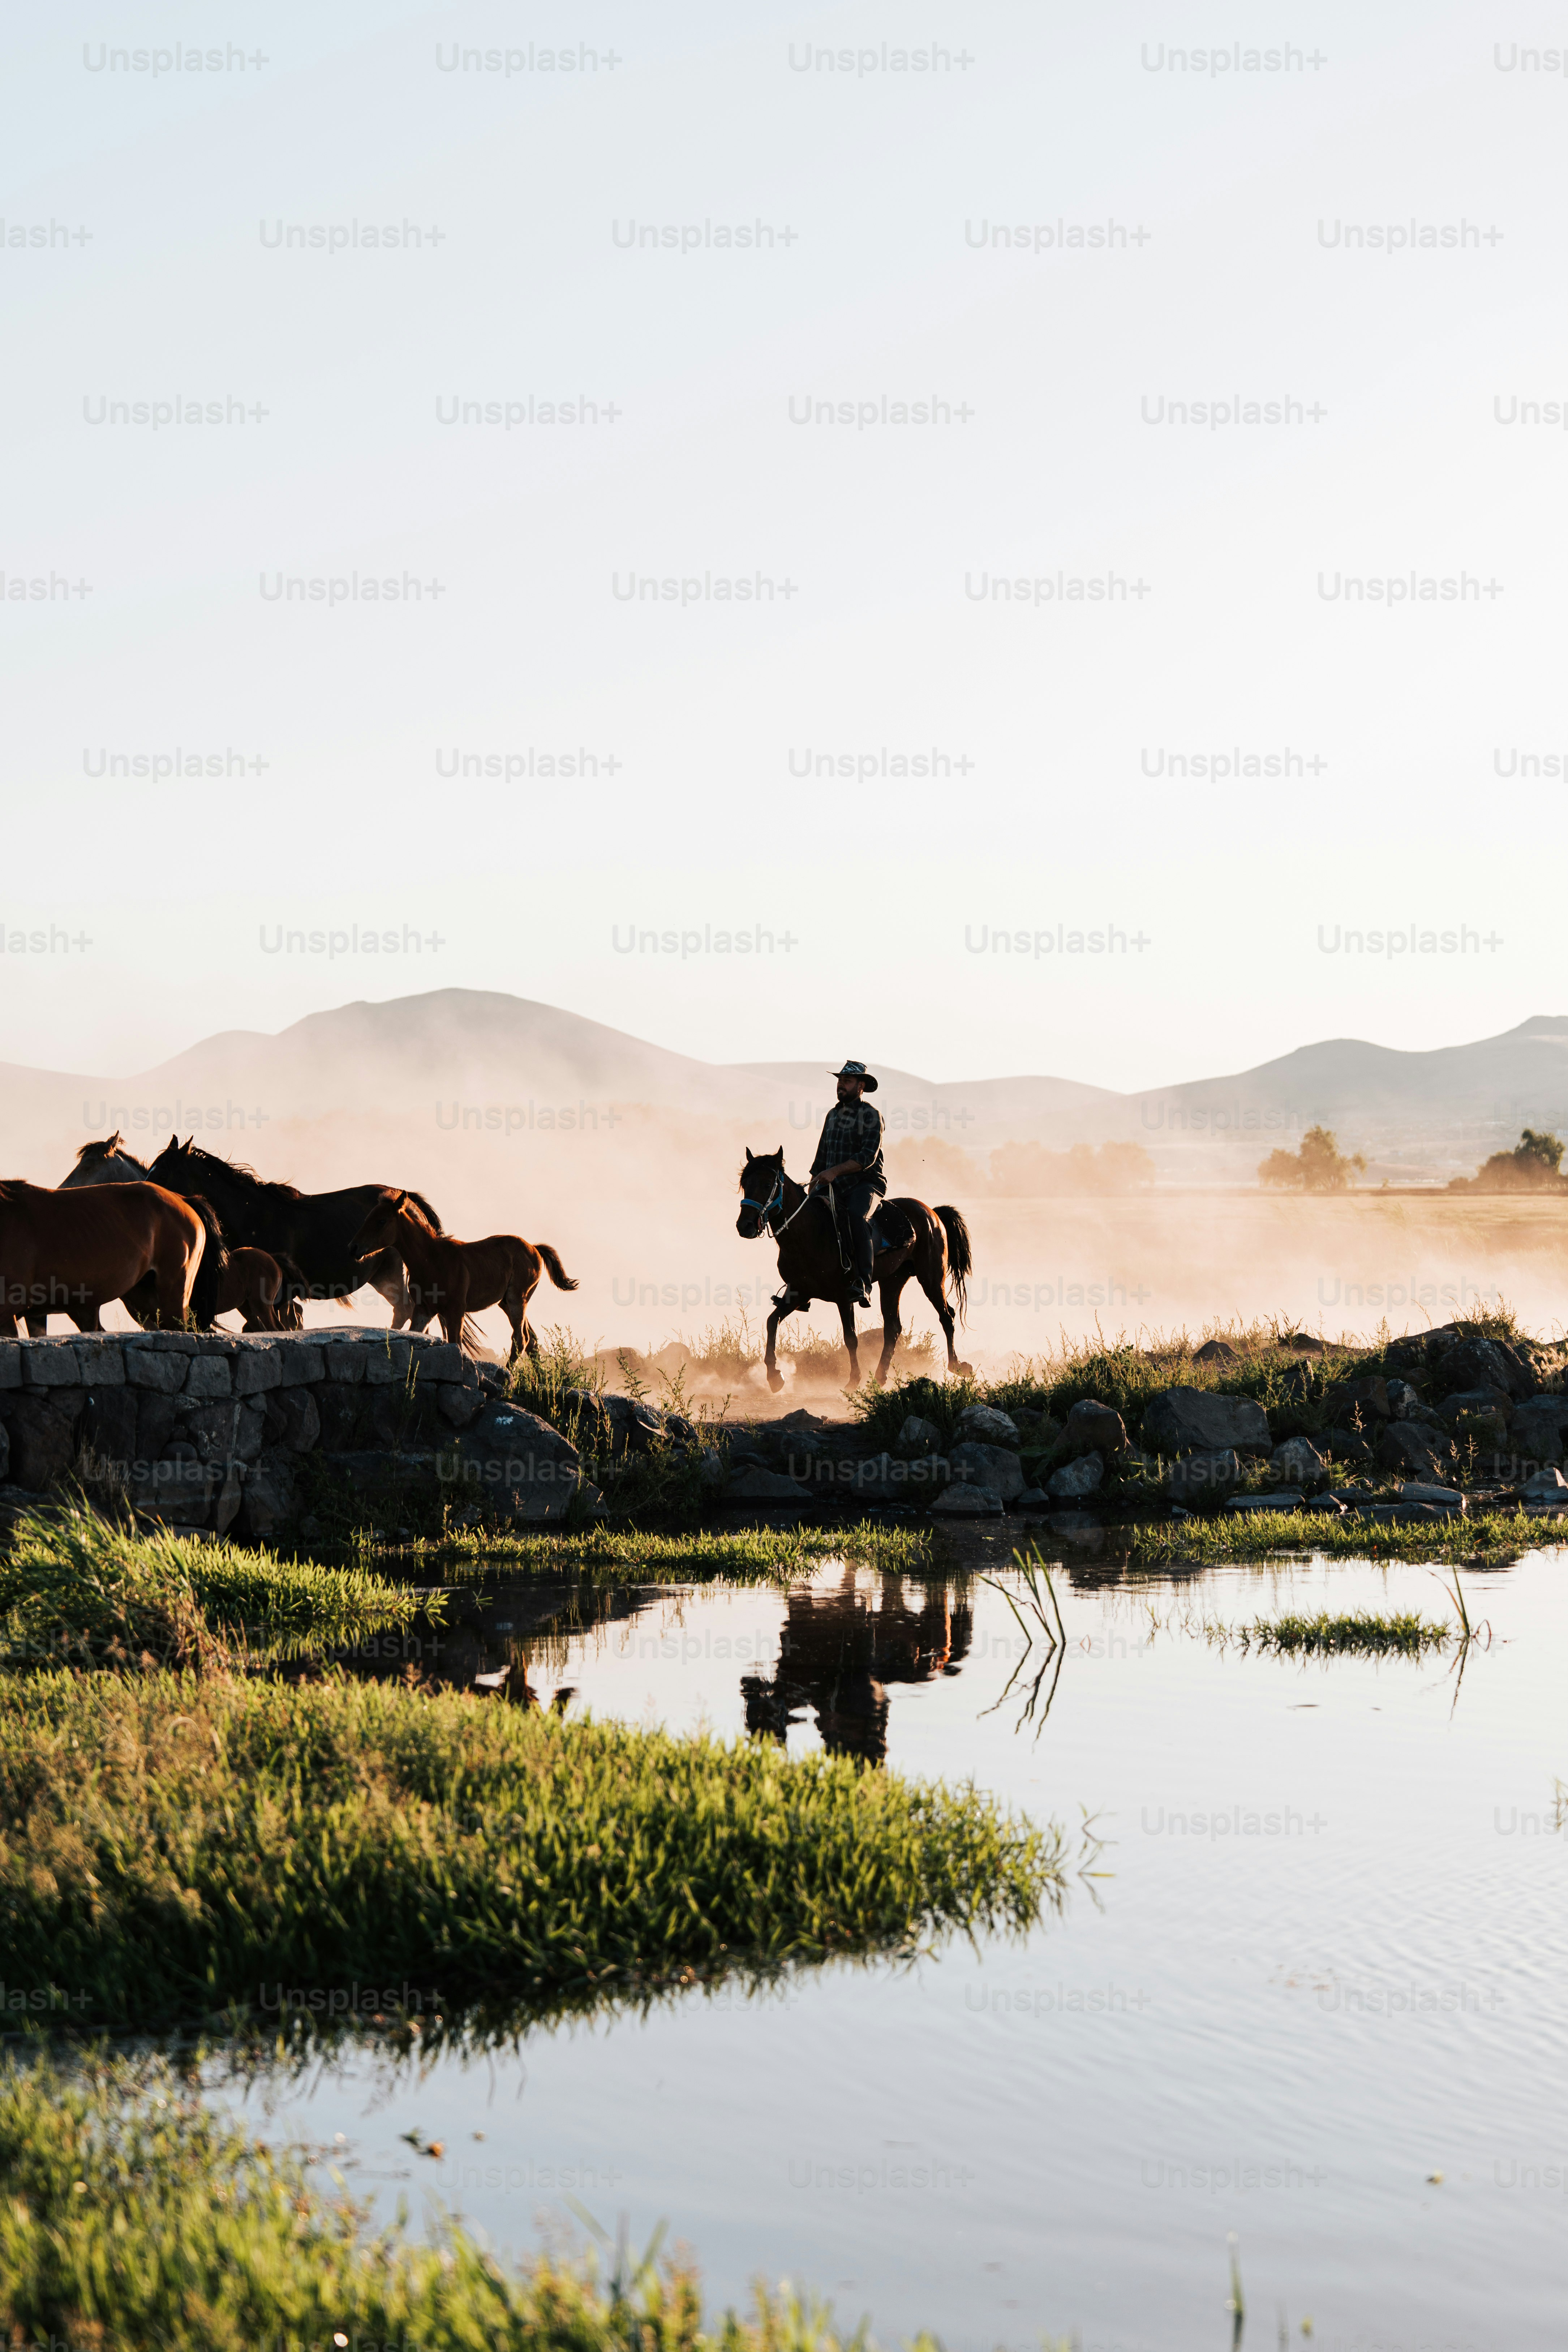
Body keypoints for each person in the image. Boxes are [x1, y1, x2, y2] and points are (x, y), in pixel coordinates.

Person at [809, 1061, 885, 1308]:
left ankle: (863, 1282)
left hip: (866, 1183)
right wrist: (814, 1183)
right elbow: (821, 1156)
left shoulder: (871, 1116)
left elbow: (867, 1158)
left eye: (847, 1081)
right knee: (806, 1218)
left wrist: (834, 1172)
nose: (841, 1085)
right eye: (840, 1081)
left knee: (855, 1217)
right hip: (833, 1184)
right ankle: (801, 1283)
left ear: (861, 1086)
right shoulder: (832, 1115)